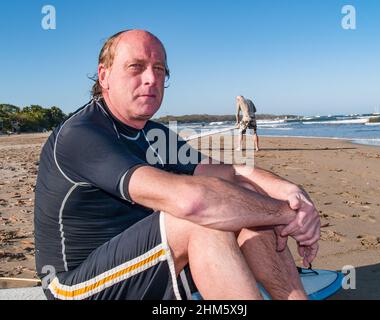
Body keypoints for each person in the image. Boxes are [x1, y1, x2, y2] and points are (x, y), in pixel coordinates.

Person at [34, 29, 320, 300]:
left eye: (159, 69)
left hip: (144, 266)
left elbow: (232, 172)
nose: (151, 79)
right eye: (136, 67)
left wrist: (292, 194)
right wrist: (284, 214)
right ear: (104, 76)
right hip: (75, 288)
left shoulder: (154, 134)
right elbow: (193, 203)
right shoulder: (82, 134)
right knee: (202, 218)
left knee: (244, 200)